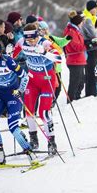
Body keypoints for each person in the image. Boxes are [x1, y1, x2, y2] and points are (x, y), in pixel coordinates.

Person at [0, 42, 38, 165]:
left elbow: (25, 76)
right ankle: (0, 155)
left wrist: (20, 90)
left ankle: (29, 152)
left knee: (13, 127)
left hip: (12, 95)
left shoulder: (8, 61)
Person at [13, 24, 61, 155]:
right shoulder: (22, 42)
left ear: (37, 35)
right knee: (28, 111)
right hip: (32, 80)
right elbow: (12, 55)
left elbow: (59, 58)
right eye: (28, 39)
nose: (31, 42)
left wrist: (45, 53)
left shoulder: (44, 42)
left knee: (44, 113)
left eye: (33, 39)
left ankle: (52, 142)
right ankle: (33, 139)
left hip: (47, 80)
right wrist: (7, 53)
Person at [38, 21, 71, 102]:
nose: (45, 31)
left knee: (58, 88)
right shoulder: (40, 40)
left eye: (46, 29)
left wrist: (68, 38)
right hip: (49, 68)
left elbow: (61, 42)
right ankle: (48, 102)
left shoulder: (51, 37)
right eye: (43, 29)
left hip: (57, 68)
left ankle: (52, 101)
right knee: (50, 86)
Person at [63, 11, 86, 101]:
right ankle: (71, 100)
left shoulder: (75, 30)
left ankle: (76, 98)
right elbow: (77, 46)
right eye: (81, 22)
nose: (82, 24)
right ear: (78, 22)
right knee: (75, 82)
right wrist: (87, 45)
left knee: (80, 82)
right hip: (74, 60)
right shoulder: (71, 32)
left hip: (79, 60)